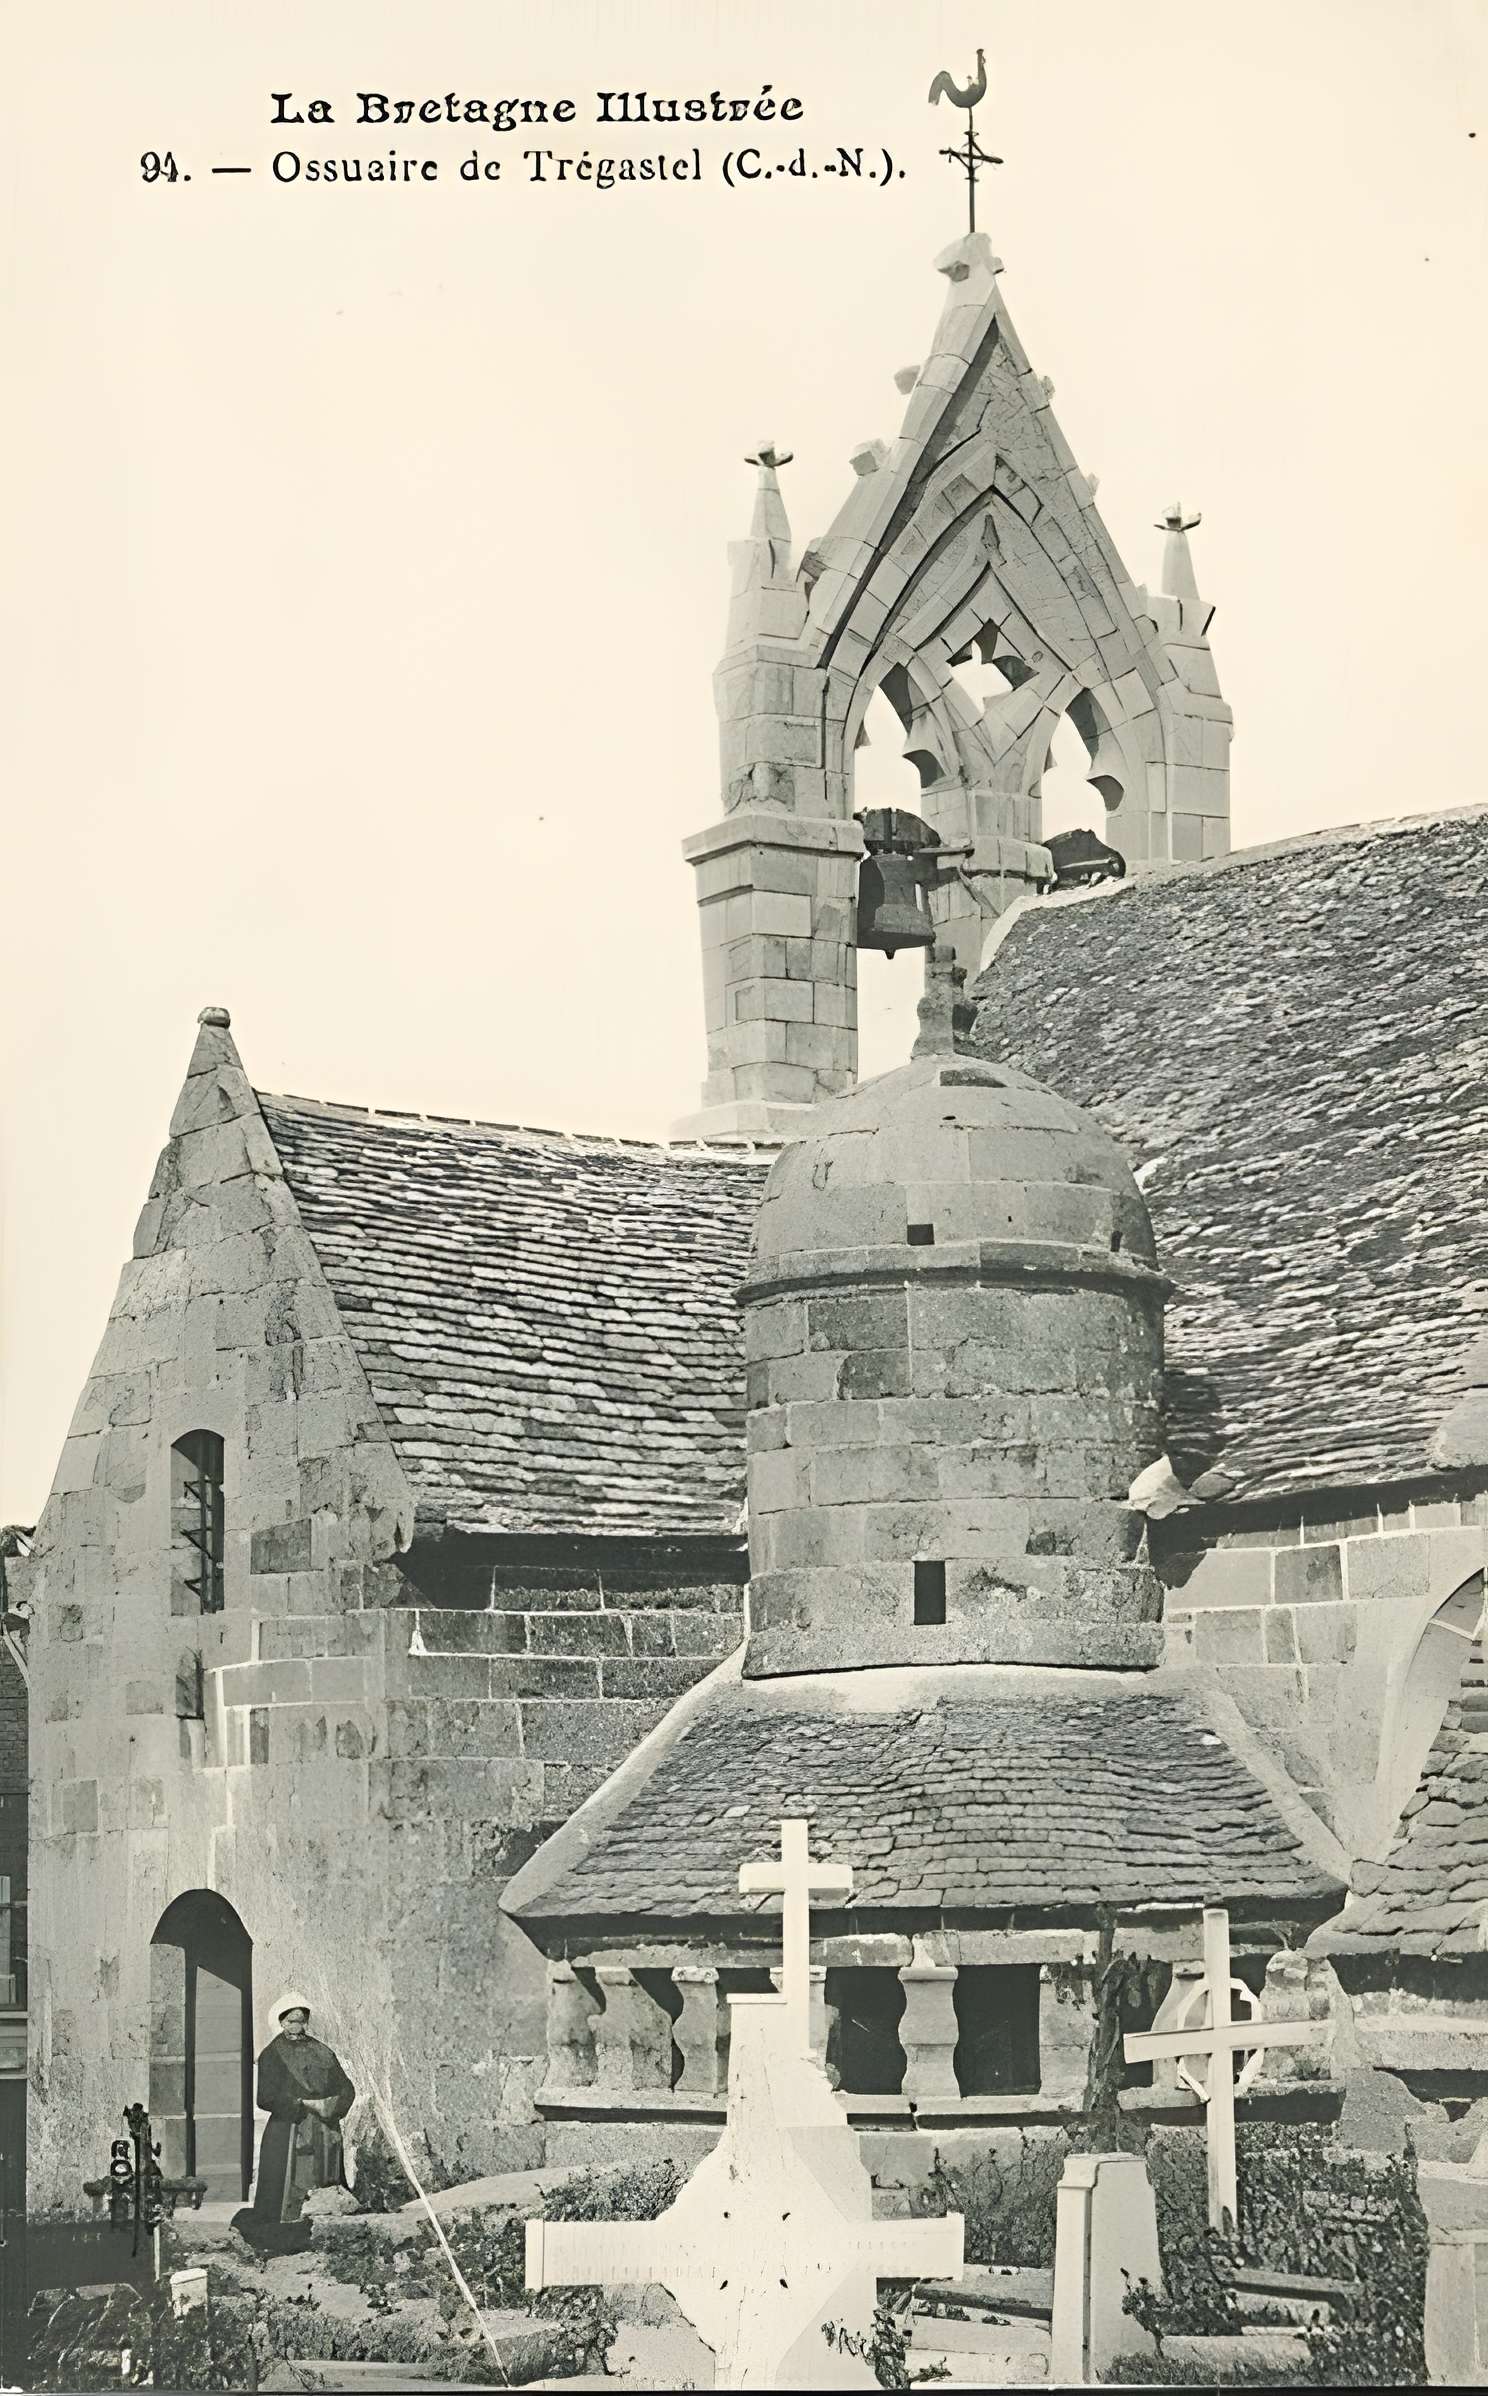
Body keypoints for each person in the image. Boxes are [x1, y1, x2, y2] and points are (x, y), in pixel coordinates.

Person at [233, 1991, 356, 2252]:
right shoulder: (271, 2055)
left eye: (301, 2021)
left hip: (324, 2131)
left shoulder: (322, 2051)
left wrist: (331, 2105)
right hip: (288, 2131)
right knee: (285, 2193)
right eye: (291, 2021)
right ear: (281, 2022)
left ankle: (327, 2229)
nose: (296, 2027)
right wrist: (305, 2103)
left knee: (325, 2181)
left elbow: (347, 2088)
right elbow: (265, 2098)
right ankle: (288, 2238)